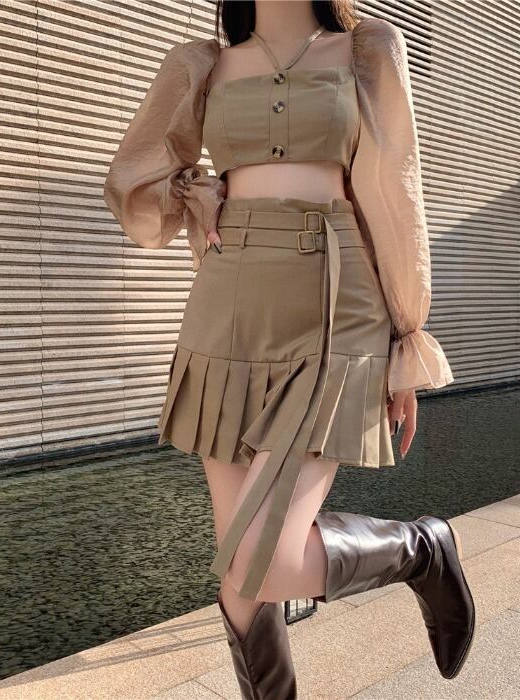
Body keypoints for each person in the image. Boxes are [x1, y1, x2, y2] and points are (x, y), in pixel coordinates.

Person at [104, 1, 475, 697]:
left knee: (265, 561)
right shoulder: (201, 65)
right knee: (242, 583)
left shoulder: (367, 50)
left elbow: (394, 189)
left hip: (334, 298)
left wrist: (406, 333)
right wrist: (194, 190)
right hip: (226, 304)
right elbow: (135, 187)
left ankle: (420, 550)